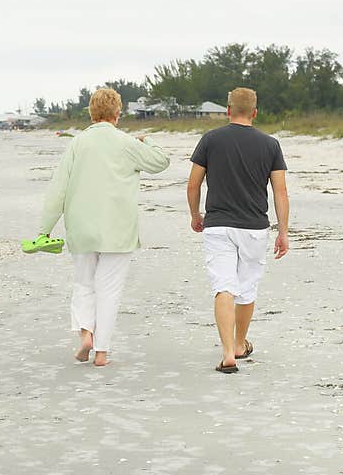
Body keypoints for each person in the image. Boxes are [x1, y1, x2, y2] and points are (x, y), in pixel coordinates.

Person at [39, 87, 170, 367]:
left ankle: (86, 333)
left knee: (84, 283)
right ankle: (101, 352)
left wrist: (44, 229)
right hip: (118, 229)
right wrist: (150, 142)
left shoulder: (78, 143)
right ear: (118, 113)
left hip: (81, 227)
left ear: (91, 112)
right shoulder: (126, 143)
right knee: (109, 289)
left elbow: (58, 189)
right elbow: (160, 162)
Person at [186, 87, 290, 374]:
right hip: (254, 228)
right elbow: (280, 192)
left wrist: (196, 214)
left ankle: (227, 352)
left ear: (228, 110)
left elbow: (193, 184)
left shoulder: (211, 140)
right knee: (246, 289)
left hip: (218, 225)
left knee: (223, 287)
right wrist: (283, 231)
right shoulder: (270, 145)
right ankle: (240, 342)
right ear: (255, 112)